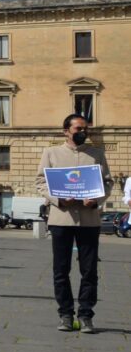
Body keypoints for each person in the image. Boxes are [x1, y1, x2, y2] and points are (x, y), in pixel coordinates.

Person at [35, 114, 111, 333]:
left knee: (89, 271)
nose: (83, 132)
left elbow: (107, 182)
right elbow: (40, 182)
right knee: (61, 270)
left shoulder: (96, 154)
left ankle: (86, 315)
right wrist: (58, 199)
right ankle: (66, 314)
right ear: (66, 131)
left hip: (89, 220)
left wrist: (96, 199)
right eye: (78, 128)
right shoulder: (51, 153)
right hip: (61, 218)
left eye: (85, 128)